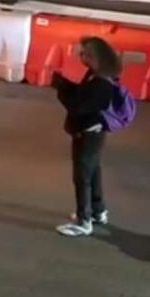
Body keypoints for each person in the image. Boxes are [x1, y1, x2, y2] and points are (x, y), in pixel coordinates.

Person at [54, 37, 122, 237]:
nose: (80, 56)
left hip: (88, 134)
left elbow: (78, 106)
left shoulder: (101, 84)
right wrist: (65, 84)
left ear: (93, 57)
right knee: (93, 172)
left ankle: (84, 221)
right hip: (93, 133)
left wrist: (61, 89)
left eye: (83, 53)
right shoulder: (97, 77)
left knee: (82, 176)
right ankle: (98, 211)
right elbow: (81, 96)